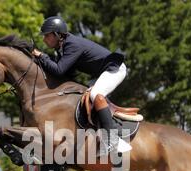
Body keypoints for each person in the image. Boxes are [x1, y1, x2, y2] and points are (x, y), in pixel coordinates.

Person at [32, 16, 132, 155]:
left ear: (57, 34)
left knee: (95, 94)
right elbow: (63, 74)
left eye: (47, 35)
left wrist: (42, 56)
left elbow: (59, 70)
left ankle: (114, 138)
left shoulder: (72, 45)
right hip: (101, 73)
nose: (44, 39)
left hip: (114, 69)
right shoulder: (62, 47)